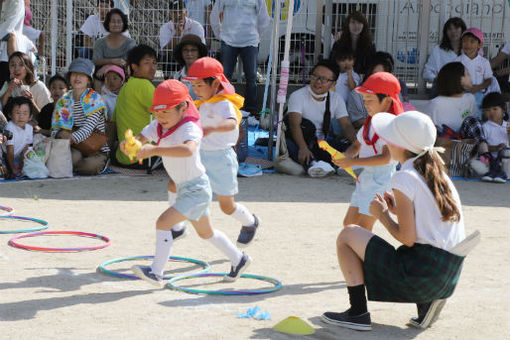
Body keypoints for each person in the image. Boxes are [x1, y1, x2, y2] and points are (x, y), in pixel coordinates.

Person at [322, 111, 466, 331]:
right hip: (446, 275)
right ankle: (427, 304)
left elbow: (407, 239)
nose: (385, 141)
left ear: (399, 144)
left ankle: (358, 312)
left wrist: (383, 215)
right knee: (360, 236)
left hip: (420, 275)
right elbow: (432, 221)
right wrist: (397, 211)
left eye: (389, 138)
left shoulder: (403, 176)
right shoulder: (436, 171)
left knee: (347, 234)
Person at [122, 79, 251, 286]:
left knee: (163, 222)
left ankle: (156, 272)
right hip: (186, 188)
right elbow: (141, 138)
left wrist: (154, 150)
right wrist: (130, 145)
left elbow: (188, 149)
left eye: (166, 111)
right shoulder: (159, 125)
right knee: (207, 233)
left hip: (196, 190)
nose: (161, 116)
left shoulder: (190, 127)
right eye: (157, 111)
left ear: (183, 108)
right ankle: (239, 259)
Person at [184, 57, 260, 247]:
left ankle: (250, 222)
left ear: (215, 83)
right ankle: (176, 226)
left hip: (222, 160)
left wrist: (212, 128)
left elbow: (231, 123)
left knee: (227, 206)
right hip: (201, 157)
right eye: (193, 85)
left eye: (199, 85)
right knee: (186, 191)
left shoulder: (225, 104)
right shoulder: (200, 103)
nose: (195, 89)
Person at [334, 72, 403, 231]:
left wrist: (353, 162)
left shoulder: (391, 124)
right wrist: (345, 157)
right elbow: (357, 146)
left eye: (370, 100)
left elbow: (387, 158)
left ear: (387, 101)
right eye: (364, 100)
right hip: (366, 177)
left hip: (382, 178)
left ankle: (363, 255)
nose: (366, 104)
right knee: (349, 224)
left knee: (364, 227)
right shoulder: (370, 121)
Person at [286, 59, 355, 178]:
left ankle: (342, 165)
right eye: (315, 77)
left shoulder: (336, 99)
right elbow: (294, 125)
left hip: (322, 143)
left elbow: (346, 125)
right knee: (294, 147)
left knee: (347, 144)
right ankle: (314, 166)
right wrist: (303, 148)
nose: (318, 82)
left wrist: (356, 145)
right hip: (301, 142)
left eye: (324, 79)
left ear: (333, 84)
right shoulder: (297, 96)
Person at [210, 0, 270, 114]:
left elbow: (264, 19)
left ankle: (250, 111)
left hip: (249, 41)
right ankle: (225, 109)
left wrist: (254, 35)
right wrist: (220, 35)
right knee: (225, 77)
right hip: (228, 41)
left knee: (251, 78)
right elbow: (214, 16)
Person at [51, 58, 109, 175]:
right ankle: (75, 165)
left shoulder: (95, 99)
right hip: (75, 146)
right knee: (73, 158)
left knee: (89, 166)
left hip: (96, 148)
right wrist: (58, 134)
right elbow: (56, 127)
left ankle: (103, 160)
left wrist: (71, 137)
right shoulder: (64, 100)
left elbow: (88, 127)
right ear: (69, 78)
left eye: (82, 75)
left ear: (88, 80)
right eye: (74, 74)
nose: (77, 78)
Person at [112, 44, 157, 167]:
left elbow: (113, 122)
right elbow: (168, 114)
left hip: (122, 158)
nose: (152, 67)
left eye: (154, 63)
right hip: (143, 159)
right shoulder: (144, 85)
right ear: (134, 67)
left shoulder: (125, 87)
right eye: (147, 63)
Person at [346, 52, 407, 130]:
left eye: (383, 75)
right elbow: (357, 122)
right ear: (369, 73)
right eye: (375, 74)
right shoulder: (356, 94)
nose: (379, 78)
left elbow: (399, 115)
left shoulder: (394, 92)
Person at [426, 62, 478, 135]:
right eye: (468, 74)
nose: (470, 76)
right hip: (446, 144)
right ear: (459, 79)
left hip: (468, 144)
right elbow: (429, 132)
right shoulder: (436, 104)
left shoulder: (470, 99)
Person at [92, 8, 135, 90]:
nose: (116, 24)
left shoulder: (130, 42)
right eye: (113, 21)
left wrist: (108, 66)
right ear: (108, 23)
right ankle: (98, 100)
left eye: (119, 21)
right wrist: (113, 61)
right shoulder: (100, 42)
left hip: (123, 70)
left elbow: (125, 62)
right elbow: (96, 60)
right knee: (98, 70)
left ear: (123, 24)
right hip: (103, 72)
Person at [159, 0, 205, 78]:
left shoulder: (196, 26)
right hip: (174, 57)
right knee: (167, 58)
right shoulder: (165, 28)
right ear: (170, 14)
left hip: (192, 55)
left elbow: (201, 47)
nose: (178, 15)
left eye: (180, 11)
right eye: (174, 12)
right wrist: (178, 33)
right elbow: (165, 49)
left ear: (186, 13)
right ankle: (170, 82)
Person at [456, 28, 498, 112]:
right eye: (464, 41)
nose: (467, 44)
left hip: (479, 95)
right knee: (463, 114)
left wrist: (478, 87)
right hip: (462, 95)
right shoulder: (457, 61)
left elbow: (488, 80)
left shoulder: (484, 62)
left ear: (480, 45)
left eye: (472, 42)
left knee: (478, 115)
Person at [330, 11, 376, 76]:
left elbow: (372, 66)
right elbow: (333, 63)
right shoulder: (339, 44)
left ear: (364, 25)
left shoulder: (370, 45)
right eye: (353, 22)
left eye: (359, 23)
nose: (356, 26)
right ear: (348, 24)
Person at [478, 92, 509, 183]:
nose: (491, 112)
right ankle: (496, 172)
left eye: (495, 109)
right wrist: (496, 148)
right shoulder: (485, 127)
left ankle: (500, 173)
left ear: (503, 110)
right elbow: (483, 147)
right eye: (488, 110)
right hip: (490, 160)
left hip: (506, 159)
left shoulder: (507, 126)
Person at [423, 17, 466, 84]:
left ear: (463, 30)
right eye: (449, 29)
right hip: (443, 87)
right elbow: (427, 72)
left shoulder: (469, 49)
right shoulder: (438, 50)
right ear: (445, 32)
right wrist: (437, 79)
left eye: (456, 28)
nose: (453, 31)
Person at [1, 96, 34, 178]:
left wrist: (21, 166)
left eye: (25, 113)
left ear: (30, 117)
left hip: (16, 157)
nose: (21, 116)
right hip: (5, 157)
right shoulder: (10, 127)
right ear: (10, 115)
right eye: (17, 113)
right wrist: (13, 169)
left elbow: (25, 149)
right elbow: (9, 151)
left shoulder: (29, 129)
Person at [173, 34, 208, 100]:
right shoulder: (177, 77)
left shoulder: (207, 76)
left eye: (193, 50)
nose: (189, 53)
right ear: (181, 53)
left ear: (199, 53)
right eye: (185, 50)